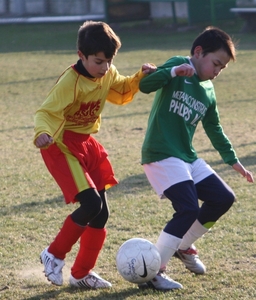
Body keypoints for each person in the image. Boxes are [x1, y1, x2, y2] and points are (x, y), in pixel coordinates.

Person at [33, 20, 156, 289]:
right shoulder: (70, 81)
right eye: (98, 61)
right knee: (91, 205)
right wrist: (42, 133)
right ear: (81, 56)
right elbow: (46, 112)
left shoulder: (107, 73)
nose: (104, 68)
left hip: (87, 143)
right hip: (62, 144)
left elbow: (121, 89)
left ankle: (81, 274)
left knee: (101, 214)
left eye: (108, 61)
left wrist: (140, 76)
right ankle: (53, 254)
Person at [138, 26, 254, 291]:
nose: (217, 71)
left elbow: (214, 128)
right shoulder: (179, 64)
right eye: (216, 63)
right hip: (161, 153)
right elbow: (145, 85)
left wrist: (233, 161)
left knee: (223, 198)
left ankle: (183, 245)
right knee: (188, 208)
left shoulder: (208, 90)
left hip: (186, 156)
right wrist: (171, 72)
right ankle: (155, 272)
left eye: (222, 68)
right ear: (198, 52)